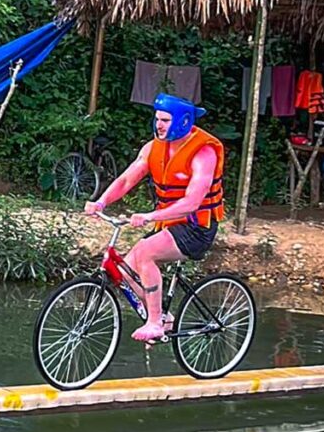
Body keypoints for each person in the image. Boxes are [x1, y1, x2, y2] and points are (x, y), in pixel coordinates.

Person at [84, 93, 225, 342]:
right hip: (168, 225)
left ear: (183, 121)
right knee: (124, 272)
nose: (159, 124)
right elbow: (127, 179)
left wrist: (150, 216)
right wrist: (101, 202)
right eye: (157, 118)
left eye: (165, 120)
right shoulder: (153, 148)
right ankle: (164, 317)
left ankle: (154, 322)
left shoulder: (204, 153)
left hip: (196, 228)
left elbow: (192, 203)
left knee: (146, 251)